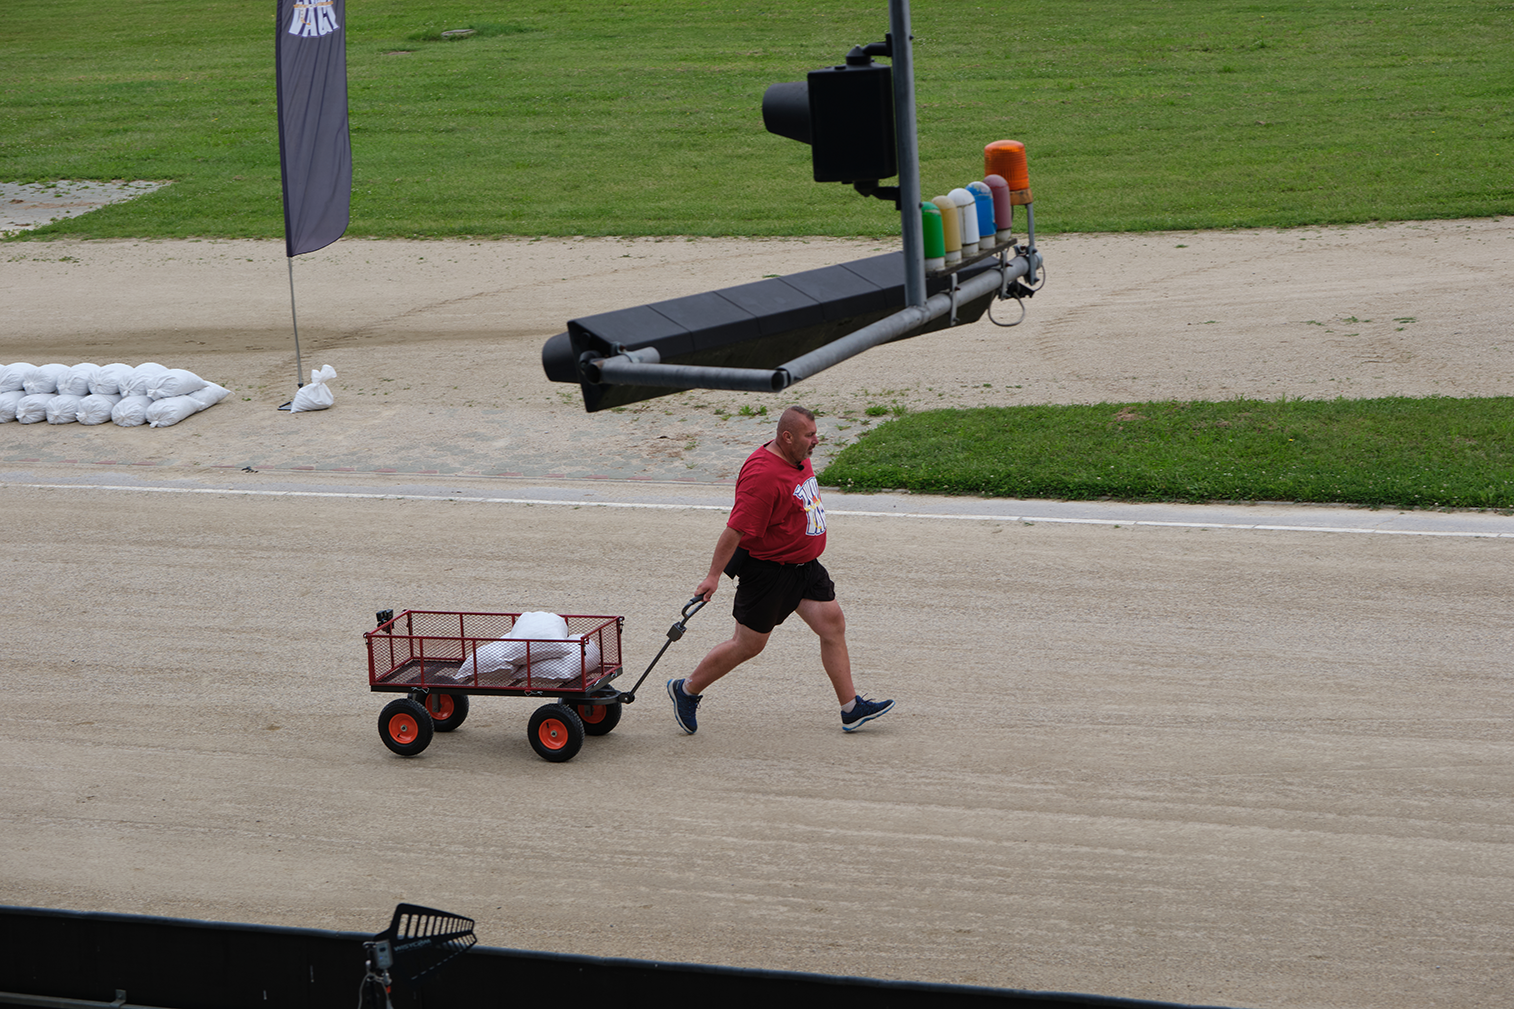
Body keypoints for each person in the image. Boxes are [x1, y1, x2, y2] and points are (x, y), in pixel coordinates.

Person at [667, 405, 894, 734]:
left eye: (815, 433)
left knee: (832, 625)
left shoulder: (796, 455)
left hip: (805, 568)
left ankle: (850, 708)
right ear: (787, 437)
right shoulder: (763, 477)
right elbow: (735, 530)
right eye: (809, 435)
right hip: (768, 573)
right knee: (748, 645)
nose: (816, 440)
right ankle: (685, 690)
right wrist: (713, 576)